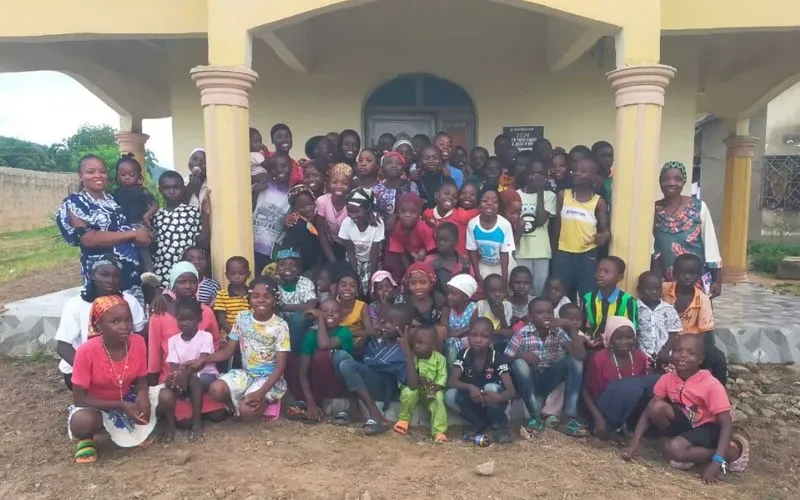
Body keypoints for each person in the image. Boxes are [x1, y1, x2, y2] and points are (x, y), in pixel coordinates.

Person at [623, 335, 749, 482]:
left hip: (709, 428)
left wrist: (716, 462)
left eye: (691, 352)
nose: (683, 355)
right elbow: (648, 411)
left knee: (674, 449)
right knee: (656, 407)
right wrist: (634, 443)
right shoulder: (668, 379)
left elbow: (726, 424)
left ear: (700, 360)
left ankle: (729, 452)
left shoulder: (711, 385)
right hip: (688, 424)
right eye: (678, 350)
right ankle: (690, 451)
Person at [67, 295, 159, 463]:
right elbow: (79, 399)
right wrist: (121, 405)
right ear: (98, 325)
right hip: (96, 405)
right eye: (115, 322)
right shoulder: (86, 351)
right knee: (83, 422)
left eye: (128, 320)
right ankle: (87, 437)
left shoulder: (137, 342)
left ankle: (129, 429)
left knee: (163, 396)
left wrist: (142, 395)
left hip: (127, 397)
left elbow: (140, 380)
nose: (125, 327)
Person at [56, 154, 150, 305]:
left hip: (129, 275)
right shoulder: (75, 203)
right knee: (107, 318)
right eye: (91, 172)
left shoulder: (112, 200)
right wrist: (133, 234)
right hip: (103, 278)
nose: (98, 176)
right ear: (81, 176)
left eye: (102, 171)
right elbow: (88, 238)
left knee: (132, 320)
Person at [148, 262, 225, 425]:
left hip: (200, 374)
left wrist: (205, 363)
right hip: (173, 374)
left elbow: (215, 343)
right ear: (173, 284)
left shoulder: (207, 312)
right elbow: (154, 353)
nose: (188, 286)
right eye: (182, 282)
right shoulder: (159, 315)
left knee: (218, 415)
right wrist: (154, 387)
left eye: (193, 281)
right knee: (184, 421)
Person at [203, 278, 290, 420]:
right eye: (255, 296)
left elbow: (280, 367)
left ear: (275, 300)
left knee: (247, 412)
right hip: (247, 374)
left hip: (269, 378)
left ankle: (263, 399)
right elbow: (228, 352)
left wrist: (261, 392)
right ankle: (245, 397)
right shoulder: (242, 318)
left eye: (267, 296)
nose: (261, 300)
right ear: (249, 299)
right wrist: (204, 358)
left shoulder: (280, 326)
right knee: (215, 390)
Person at [56, 257, 147, 390]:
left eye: (116, 276)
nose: (110, 280)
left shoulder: (129, 301)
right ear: (92, 275)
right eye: (104, 275)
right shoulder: (76, 304)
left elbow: (140, 333)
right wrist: (93, 373)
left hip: (121, 366)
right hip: (83, 369)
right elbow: (63, 346)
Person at [506, 297, 587, 436]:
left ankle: (569, 418)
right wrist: (522, 355)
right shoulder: (522, 333)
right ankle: (535, 417)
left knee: (575, 361)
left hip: (549, 378)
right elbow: (505, 358)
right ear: (531, 317)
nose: (546, 315)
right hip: (529, 380)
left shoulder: (557, 331)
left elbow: (579, 355)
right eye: (540, 312)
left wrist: (570, 326)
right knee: (519, 364)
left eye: (549, 312)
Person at [332, 303, 414, 434]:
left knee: (347, 365)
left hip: (383, 387)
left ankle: (375, 413)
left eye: (391, 323)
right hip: (364, 380)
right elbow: (358, 355)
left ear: (406, 327)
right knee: (339, 356)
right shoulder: (377, 339)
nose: (385, 326)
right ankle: (354, 408)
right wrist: (367, 334)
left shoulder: (403, 348)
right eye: (384, 321)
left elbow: (412, 384)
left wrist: (408, 353)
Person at [654, 161, 722, 297]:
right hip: (666, 282)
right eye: (666, 179)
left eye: (677, 179)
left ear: (684, 181)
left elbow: (710, 244)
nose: (671, 183)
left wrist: (718, 280)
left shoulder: (699, 207)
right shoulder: (654, 210)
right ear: (660, 182)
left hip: (696, 280)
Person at [582, 317, 656, 440]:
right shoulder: (599, 359)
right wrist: (599, 419)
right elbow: (586, 392)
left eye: (629, 337)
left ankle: (628, 427)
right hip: (605, 407)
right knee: (627, 387)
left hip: (631, 409)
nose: (624, 342)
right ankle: (613, 426)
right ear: (610, 339)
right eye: (619, 338)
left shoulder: (640, 357)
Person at [446, 318, 515, 444]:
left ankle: (500, 427)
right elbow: (452, 382)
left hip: (494, 400)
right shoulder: (464, 355)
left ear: (491, 338)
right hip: (474, 399)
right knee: (449, 395)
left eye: (484, 336)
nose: (478, 340)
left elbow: (511, 391)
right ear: (468, 336)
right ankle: (479, 422)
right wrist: (470, 388)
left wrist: (498, 398)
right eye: (474, 335)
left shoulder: (497, 357)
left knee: (490, 387)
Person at [159, 297, 219, 440]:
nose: (185, 324)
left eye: (190, 319)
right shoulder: (173, 340)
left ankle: (197, 423)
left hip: (205, 375)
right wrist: (177, 375)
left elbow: (202, 361)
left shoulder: (206, 336)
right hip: (183, 375)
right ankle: (170, 425)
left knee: (194, 381)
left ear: (199, 318)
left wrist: (185, 374)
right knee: (169, 385)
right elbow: (173, 364)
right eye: (181, 320)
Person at [662, 254, 728, 384]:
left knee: (716, 357)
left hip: (691, 341)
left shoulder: (702, 299)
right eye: (683, 273)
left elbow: (704, 333)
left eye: (692, 274)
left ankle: (718, 390)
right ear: (674, 274)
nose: (687, 277)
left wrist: (690, 349)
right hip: (665, 339)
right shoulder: (663, 290)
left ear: (698, 276)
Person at [553, 156, 610, 303]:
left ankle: (586, 324)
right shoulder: (563, 196)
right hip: (564, 253)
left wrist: (603, 236)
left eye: (583, 171)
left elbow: (605, 230)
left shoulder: (598, 202)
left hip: (587, 255)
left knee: (587, 293)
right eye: (575, 170)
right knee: (562, 292)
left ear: (593, 176)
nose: (577, 173)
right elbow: (557, 225)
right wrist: (554, 250)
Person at [285, 298, 351, 422]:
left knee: (321, 356)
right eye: (324, 311)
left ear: (341, 316)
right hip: (315, 385)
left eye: (335, 311)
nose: (330, 314)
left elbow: (324, 345)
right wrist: (311, 404)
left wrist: (320, 317)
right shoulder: (311, 335)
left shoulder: (345, 332)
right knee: (289, 359)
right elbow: (302, 374)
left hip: (337, 385)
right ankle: (308, 403)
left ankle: (318, 405)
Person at [151, 171, 211, 287]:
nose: (172, 192)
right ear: (160, 190)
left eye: (176, 187)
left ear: (183, 188)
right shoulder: (156, 216)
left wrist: (205, 215)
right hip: (163, 274)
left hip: (189, 275)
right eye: (167, 188)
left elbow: (203, 243)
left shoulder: (192, 212)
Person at [394, 323, 449, 442]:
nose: (416, 346)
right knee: (408, 392)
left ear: (433, 344)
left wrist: (434, 388)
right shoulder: (412, 357)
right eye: (415, 342)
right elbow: (411, 382)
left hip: (431, 390)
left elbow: (442, 378)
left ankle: (439, 431)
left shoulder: (440, 359)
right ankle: (404, 420)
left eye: (421, 343)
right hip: (415, 388)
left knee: (439, 399)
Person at [111, 154, 158, 279]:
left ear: (138, 176)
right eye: (122, 175)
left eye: (131, 175)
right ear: (117, 175)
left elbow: (154, 205)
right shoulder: (116, 192)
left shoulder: (142, 190)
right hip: (123, 227)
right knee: (125, 251)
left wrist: (147, 216)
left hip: (139, 225)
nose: (126, 178)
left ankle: (149, 271)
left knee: (143, 249)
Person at [517, 160, 557, 296]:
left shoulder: (550, 196)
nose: (536, 177)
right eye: (533, 173)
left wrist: (540, 191)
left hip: (541, 252)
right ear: (526, 174)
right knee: (521, 290)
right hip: (521, 251)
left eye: (541, 174)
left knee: (538, 291)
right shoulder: (516, 195)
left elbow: (540, 220)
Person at [583, 256, 638, 347]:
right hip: (591, 344)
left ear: (620, 277)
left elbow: (629, 330)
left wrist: (605, 339)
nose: (600, 274)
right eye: (598, 270)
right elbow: (586, 326)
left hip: (617, 346)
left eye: (606, 272)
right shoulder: (589, 298)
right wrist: (587, 338)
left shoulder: (627, 301)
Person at [339, 188, 385, 294]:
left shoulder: (377, 223)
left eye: (356, 211)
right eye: (349, 211)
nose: (352, 215)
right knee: (354, 286)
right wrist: (356, 274)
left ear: (367, 209)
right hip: (355, 259)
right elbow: (350, 251)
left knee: (370, 288)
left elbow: (375, 255)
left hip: (372, 261)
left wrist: (371, 280)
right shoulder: (347, 223)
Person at [466, 189, 516, 285]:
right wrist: (477, 274)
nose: (490, 204)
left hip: (505, 265)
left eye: (495, 201)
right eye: (485, 201)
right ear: (479, 204)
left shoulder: (504, 225)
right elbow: (472, 251)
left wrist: (504, 279)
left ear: (499, 206)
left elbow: (504, 253)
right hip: (484, 265)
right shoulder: (472, 224)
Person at [253, 152, 292, 274]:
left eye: (284, 166)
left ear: (291, 168)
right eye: (275, 167)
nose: (280, 169)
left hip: (272, 249)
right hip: (253, 244)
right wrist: (254, 193)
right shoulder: (263, 185)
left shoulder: (292, 192)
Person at [275, 248, 317, 352]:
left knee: (298, 317)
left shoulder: (306, 283)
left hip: (301, 322)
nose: (287, 268)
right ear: (276, 269)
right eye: (282, 265)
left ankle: (292, 351)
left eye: (292, 265)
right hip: (280, 320)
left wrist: (283, 307)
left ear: (299, 269)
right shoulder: (274, 283)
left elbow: (310, 306)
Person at [422, 178, 478, 257]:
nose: (450, 197)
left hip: (460, 259)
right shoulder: (428, 214)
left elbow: (479, 212)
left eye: (454, 197)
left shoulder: (461, 214)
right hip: (438, 257)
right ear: (436, 195)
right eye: (447, 193)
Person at [637, 271, 682, 368]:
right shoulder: (635, 308)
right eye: (649, 289)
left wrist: (665, 351)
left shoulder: (668, 309)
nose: (654, 292)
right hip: (641, 354)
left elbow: (673, 332)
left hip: (664, 354)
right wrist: (641, 353)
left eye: (657, 289)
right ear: (639, 290)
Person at [214, 256, 251, 372]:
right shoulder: (222, 294)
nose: (237, 277)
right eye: (232, 274)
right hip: (228, 333)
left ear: (248, 274)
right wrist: (235, 334)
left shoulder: (252, 295)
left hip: (249, 333)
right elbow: (221, 320)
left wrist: (245, 335)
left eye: (241, 273)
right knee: (226, 350)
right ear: (227, 275)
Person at [387, 192, 436, 280]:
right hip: (408, 254)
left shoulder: (423, 228)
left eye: (413, 212)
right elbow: (401, 253)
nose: (407, 215)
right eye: (403, 211)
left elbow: (432, 249)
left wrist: (423, 255)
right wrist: (409, 271)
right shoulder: (396, 229)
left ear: (419, 213)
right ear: (398, 212)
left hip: (424, 254)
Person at [395, 262, 448, 333]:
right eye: (413, 283)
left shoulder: (438, 303)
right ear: (408, 284)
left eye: (423, 283)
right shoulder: (401, 301)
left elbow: (443, 331)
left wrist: (416, 325)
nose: (418, 287)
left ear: (431, 283)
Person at [316, 163, 354, 262]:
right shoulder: (322, 201)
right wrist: (333, 261)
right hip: (331, 246)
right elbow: (321, 235)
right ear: (328, 183)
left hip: (351, 247)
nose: (339, 186)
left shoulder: (352, 204)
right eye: (334, 182)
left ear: (350, 186)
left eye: (344, 183)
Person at [282, 184, 324, 272]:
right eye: (302, 207)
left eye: (310, 204)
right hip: (302, 265)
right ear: (294, 208)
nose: (308, 209)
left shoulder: (318, 217)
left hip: (317, 262)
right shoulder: (294, 224)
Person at [424, 222, 473, 296]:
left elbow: (471, 283)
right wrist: (435, 293)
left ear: (456, 241)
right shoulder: (430, 261)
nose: (440, 243)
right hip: (439, 301)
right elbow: (423, 282)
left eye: (445, 240)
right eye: (438, 240)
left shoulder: (464, 261)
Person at [373, 151, 420, 226]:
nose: (394, 166)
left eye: (398, 163)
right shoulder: (376, 189)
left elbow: (417, 208)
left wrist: (396, 216)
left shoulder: (411, 186)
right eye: (389, 163)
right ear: (382, 168)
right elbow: (373, 213)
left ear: (403, 168)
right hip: (383, 230)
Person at [444, 274, 478, 366]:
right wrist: (466, 329)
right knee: (452, 343)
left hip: (468, 343)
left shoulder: (474, 309)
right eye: (449, 293)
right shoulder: (447, 310)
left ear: (466, 297)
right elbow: (445, 334)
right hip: (451, 344)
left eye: (453, 294)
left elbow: (474, 330)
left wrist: (457, 333)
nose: (449, 297)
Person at [476, 274, 514, 342]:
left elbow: (507, 329)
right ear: (485, 293)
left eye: (501, 291)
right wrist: (499, 332)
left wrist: (501, 315)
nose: (497, 294)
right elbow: (479, 328)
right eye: (492, 291)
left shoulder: (507, 305)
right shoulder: (481, 305)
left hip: (502, 340)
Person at [415, 144, 447, 208]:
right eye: (427, 158)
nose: (431, 161)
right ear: (420, 161)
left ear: (440, 160)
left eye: (435, 158)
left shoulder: (447, 180)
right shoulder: (415, 181)